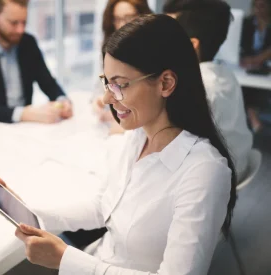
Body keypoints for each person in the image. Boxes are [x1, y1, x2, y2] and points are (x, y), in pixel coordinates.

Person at [0, 14, 237, 274]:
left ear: (166, 83)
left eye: (120, 85)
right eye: (107, 82)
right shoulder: (137, 136)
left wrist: (66, 260)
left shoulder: (204, 172)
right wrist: (32, 214)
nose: (106, 98)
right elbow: (106, 205)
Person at [163, 0, 253, 181]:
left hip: (214, 177)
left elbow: (171, 152)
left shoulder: (196, 87)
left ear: (192, 45)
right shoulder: (224, 74)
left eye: (167, 35)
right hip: (238, 164)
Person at [0, 0, 72, 124]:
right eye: (13, 23)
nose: (20, 30)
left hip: (26, 128)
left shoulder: (28, 43)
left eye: (24, 22)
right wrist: (22, 114)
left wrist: (62, 100)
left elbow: (48, 83)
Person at [92, 0, 152, 135]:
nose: (122, 25)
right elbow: (99, 89)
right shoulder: (109, 52)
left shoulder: (152, 52)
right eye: (117, 19)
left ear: (143, 15)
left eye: (129, 17)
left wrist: (125, 122)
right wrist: (99, 102)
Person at [240, 0, 271, 132]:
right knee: (246, 84)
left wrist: (260, 58)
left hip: (267, 65)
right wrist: (249, 59)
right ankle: (254, 118)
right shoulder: (247, 22)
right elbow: (242, 45)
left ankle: (253, 118)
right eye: (256, 6)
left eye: (262, 6)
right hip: (250, 64)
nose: (258, 10)